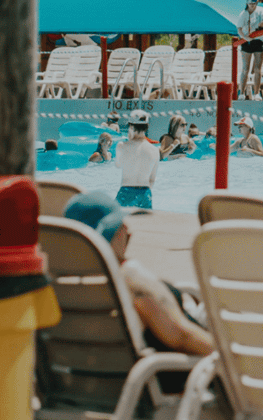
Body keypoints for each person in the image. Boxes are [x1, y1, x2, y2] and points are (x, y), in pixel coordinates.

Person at [64, 193, 212, 361]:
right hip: (183, 375)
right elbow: (182, 337)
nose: (127, 230)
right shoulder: (129, 278)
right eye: (119, 226)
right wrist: (237, 360)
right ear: (109, 235)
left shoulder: (62, 285)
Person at [116, 111, 159, 208]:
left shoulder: (121, 146)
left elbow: (118, 165)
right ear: (147, 127)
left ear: (131, 127)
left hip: (126, 192)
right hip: (144, 193)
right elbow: (152, 180)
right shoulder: (155, 150)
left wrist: (130, 138)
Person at [238, 0, 263, 97]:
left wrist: (259, 26)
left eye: (254, 4)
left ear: (257, 2)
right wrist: (245, 37)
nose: (252, 6)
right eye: (250, 4)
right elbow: (239, 29)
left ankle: (256, 93)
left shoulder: (261, 10)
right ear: (247, 3)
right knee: (245, 68)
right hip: (246, 41)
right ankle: (241, 93)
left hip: (258, 40)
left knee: (257, 69)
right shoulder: (243, 13)